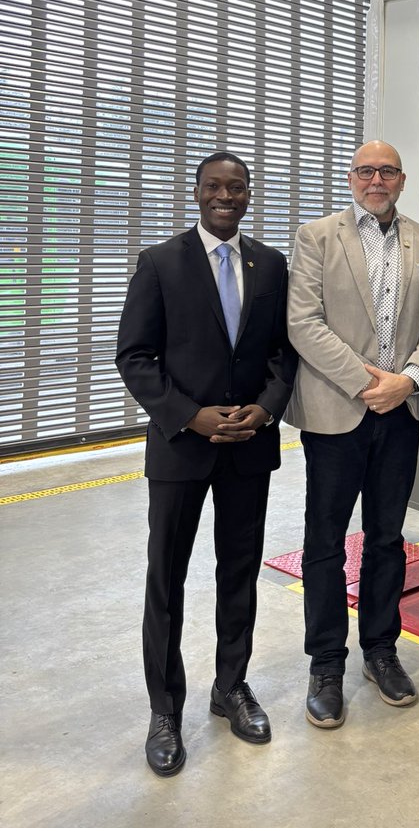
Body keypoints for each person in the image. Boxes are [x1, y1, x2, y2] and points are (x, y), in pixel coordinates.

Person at [116, 152, 297, 778]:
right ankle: (165, 708)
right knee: (165, 578)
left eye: (237, 187)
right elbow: (135, 355)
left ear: (249, 195)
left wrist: (266, 409)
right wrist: (189, 415)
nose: (226, 196)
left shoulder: (270, 264)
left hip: (249, 446)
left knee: (239, 571)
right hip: (180, 447)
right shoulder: (160, 263)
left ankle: (231, 687)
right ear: (196, 192)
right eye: (215, 186)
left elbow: (283, 353)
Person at [286, 140, 419, 730]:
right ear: (351, 178)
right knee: (325, 543)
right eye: (365, 170)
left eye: (386, 171)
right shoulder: (316, 237)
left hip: (400, 413)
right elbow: (302, 322)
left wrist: (406, 380)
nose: (375, 179)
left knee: (386, 538)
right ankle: (326, 662)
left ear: (401, 179)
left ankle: (381, 649)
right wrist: (364, 383)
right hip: (337, 412)